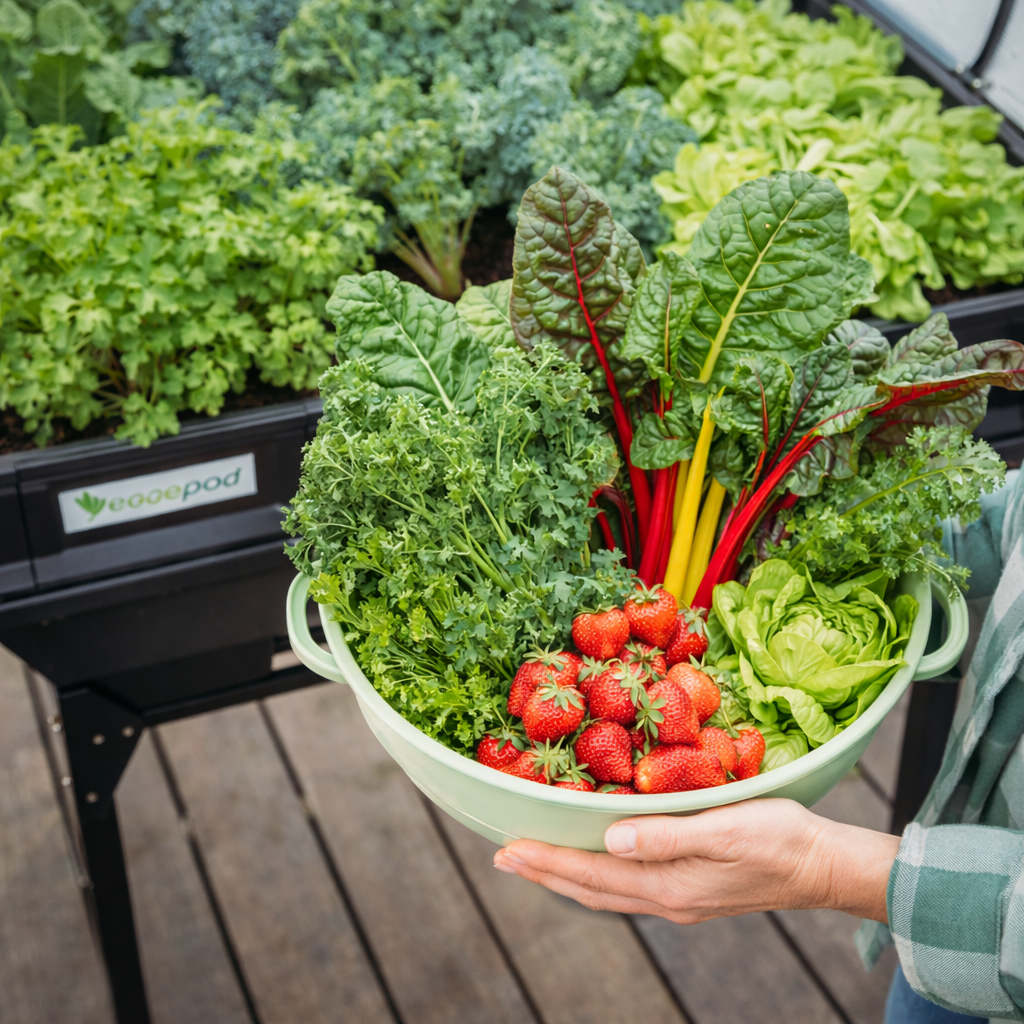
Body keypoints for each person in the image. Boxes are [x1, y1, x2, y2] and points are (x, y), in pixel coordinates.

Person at [494, 469, 1024, 1021]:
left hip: (965, 917)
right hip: (946, 877)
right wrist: (846, 528)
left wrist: (822, 867)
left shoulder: (657, 699)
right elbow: (1003, 530)